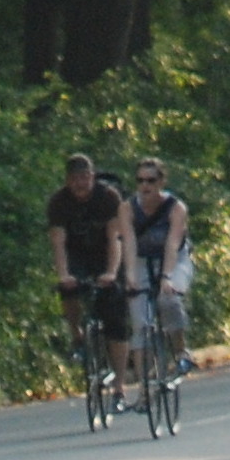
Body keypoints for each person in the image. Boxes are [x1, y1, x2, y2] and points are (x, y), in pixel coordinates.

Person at [46, 154, 132, 384]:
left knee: (115, 318)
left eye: (84, 177)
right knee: (68, 289)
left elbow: (115, 238)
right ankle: (77, 336)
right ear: (67, 180)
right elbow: (58, 242)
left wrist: (111, 273)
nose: (80, 183)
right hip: (77, 254)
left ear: (92, 177)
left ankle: (119, 385)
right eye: (74, 178)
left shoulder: (108, 197)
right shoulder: (59, 202)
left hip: (106, 254)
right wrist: (63, 274)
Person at [125, 157, 193, 403]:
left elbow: (172, 244)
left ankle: (180, 351)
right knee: (139, 322)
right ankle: (144, 387)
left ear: (161, 182)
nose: (145, 186)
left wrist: (166, 277)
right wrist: (130, 275)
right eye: (140, 181)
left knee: (168, 299)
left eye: (151, 181)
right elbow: (129, 242)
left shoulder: (176, 207)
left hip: (174, 259)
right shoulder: (127, 208)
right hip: (142, 261)